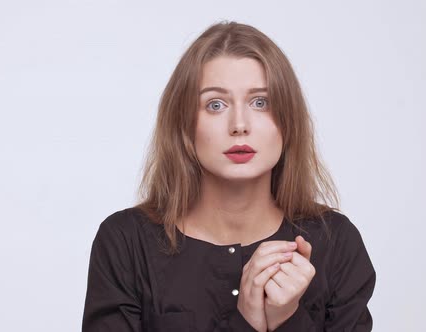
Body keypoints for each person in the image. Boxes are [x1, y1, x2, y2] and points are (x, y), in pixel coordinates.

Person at [82, 21, 376, 331]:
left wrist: (288, 318)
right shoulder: (125, 241)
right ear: (184, 125)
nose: (239, 124)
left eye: (260, 102)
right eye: (215, 104)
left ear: (288, 121)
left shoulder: (336, 241)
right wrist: (248, 321)